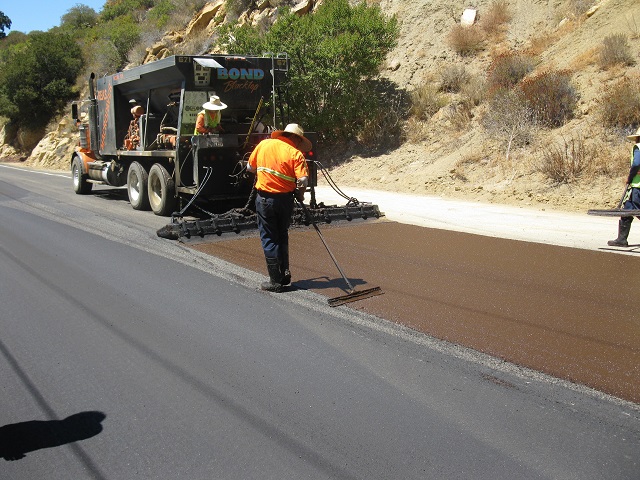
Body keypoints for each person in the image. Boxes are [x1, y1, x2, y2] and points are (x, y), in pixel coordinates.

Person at [247, 123, 311, 292]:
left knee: (269, 237)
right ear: (295, 138)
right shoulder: (295, 153)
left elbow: (250, 168)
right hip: (285, 201)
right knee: (282, 234)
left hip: (265, 199)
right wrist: (301, 194)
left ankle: (275, 281)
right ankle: (284, 273)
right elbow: (303, 180)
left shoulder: (264, 144)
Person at [608, 127, 640, 247]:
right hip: (636, 187)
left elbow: (636, 163)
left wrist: (630, 177)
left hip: (638, 186)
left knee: (636, 210)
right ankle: (622, 239)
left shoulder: (638, 147)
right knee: (628, 208)